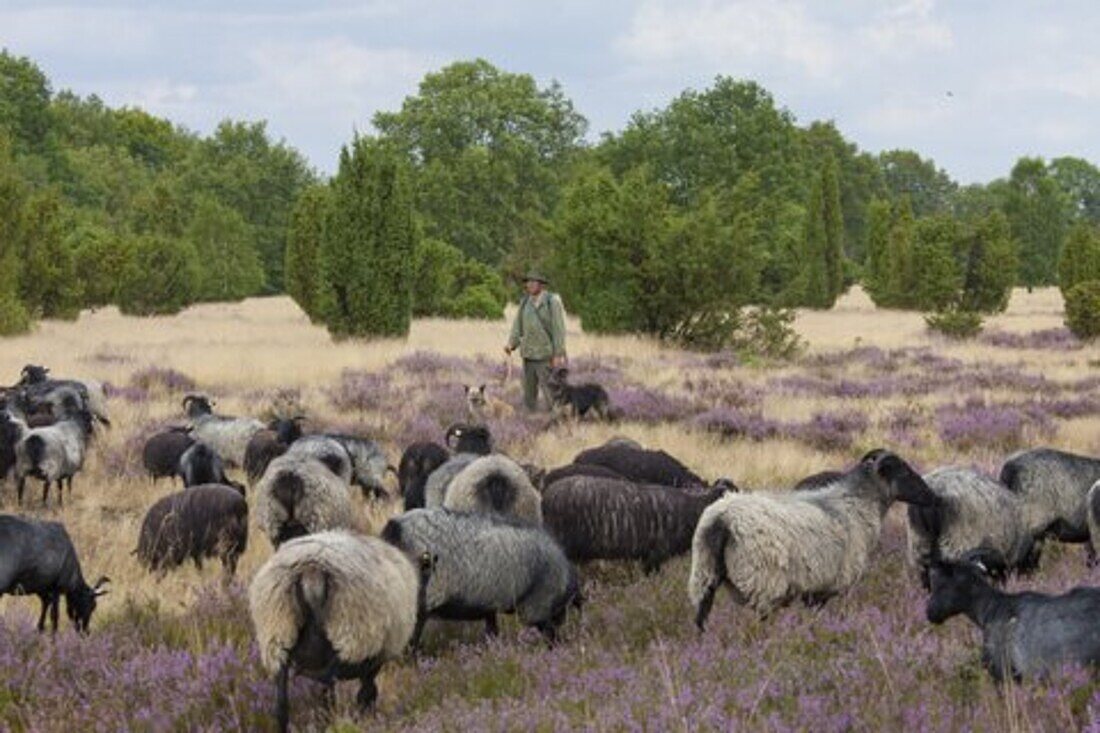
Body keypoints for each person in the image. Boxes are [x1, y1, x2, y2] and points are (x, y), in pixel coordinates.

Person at [504, 271, 567, 412]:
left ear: (541, 285)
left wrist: (558, 354)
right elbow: (517, 326)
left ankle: (556, 420)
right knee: (529, 394)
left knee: (550, 391)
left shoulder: (552, 302)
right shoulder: (525, 302)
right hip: (528, 355)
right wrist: (511, 344)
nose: (530, 285)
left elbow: (559, 330)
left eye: (534, 282)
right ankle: (530, 421)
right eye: (528, 282)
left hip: (546, 355)